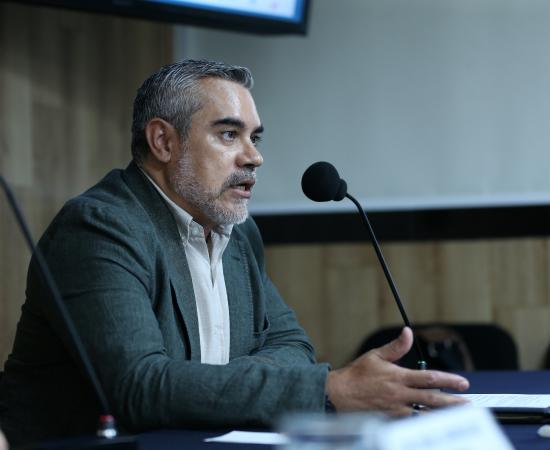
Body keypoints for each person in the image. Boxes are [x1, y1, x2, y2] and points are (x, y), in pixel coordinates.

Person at [0, 60, 469, 446]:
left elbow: (293, 346)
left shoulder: (237, 233)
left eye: (254, 138)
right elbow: (138, 388)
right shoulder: (100, 227)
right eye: (229, 134)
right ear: (163, 141)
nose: (254, 156)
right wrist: (327, 389)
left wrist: (215, 385)